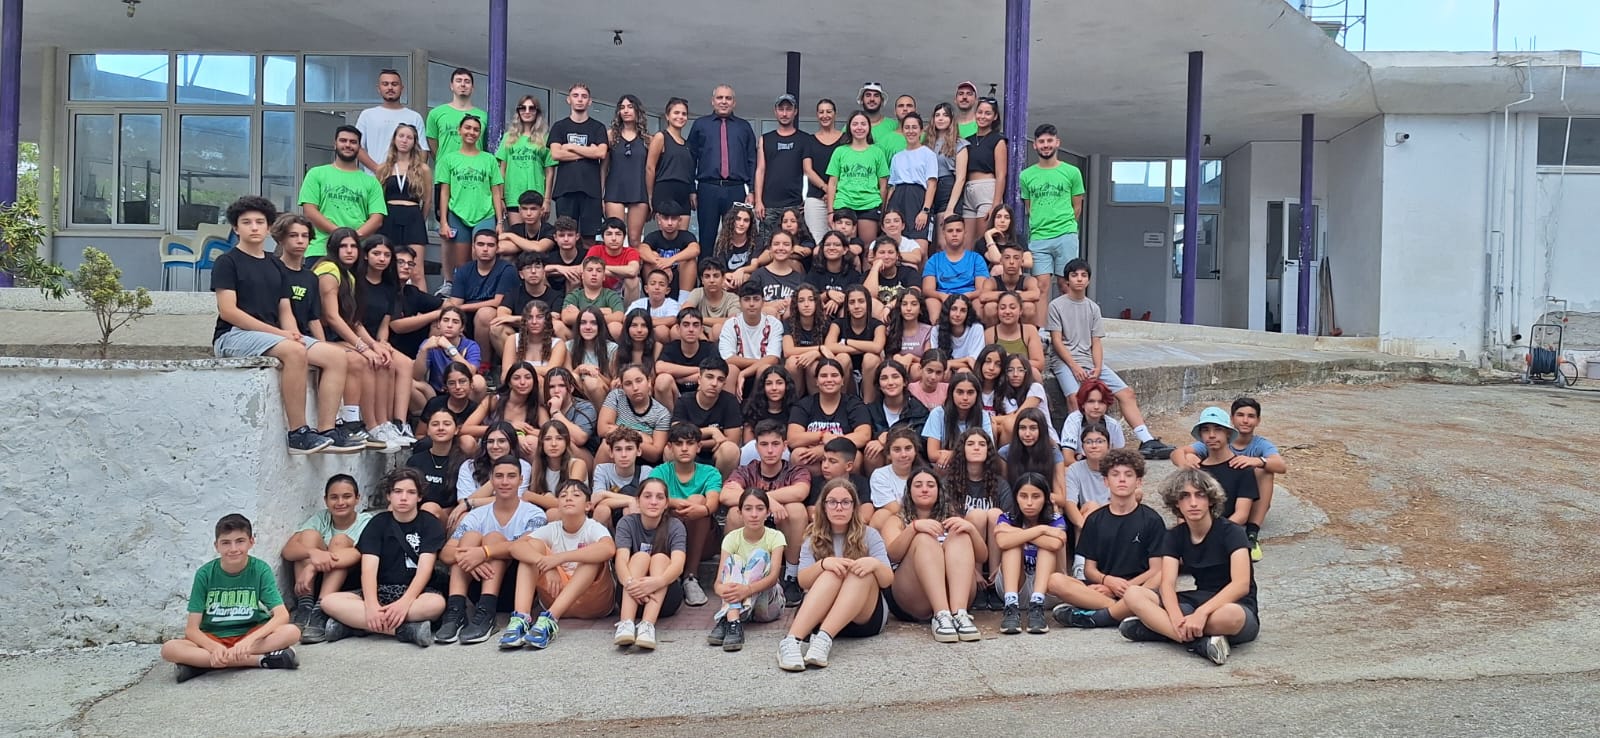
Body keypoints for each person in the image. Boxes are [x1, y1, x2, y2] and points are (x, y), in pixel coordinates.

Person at [213, 197, 355, 454]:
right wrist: (281, 334)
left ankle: (327, 430)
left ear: (268, 228)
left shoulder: (275, 264)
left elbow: (284, 307)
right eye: (246, 222)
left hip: (272, 335)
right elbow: (229, 311)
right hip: (234, 335)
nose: (254, 227)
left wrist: (294, 334)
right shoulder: (228, 261)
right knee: (294, 351)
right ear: (236, 228)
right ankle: (298, 433)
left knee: (336, 355)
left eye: (260, 222)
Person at [1118, 469, 1261, 665]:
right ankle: (1198, 643)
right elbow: (1167, 584)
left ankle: (1158, 629)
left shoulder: (1232, 532)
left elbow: (1241, 585)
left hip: (1235, 606)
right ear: (1177, 503)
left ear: (1210, 500)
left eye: (1200, 495)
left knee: (1230, 615)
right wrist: (1176, 617)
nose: (1193, 503)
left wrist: (1202, 614)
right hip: (1196, 600)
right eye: (1185, 496)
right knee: (1134, 593)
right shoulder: (1174, 536)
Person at [1047, 258, 1175, 459]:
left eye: (1083, 275)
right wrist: (1074, 366)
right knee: (1074, 398)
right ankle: (1079, 447)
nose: (1079, 279)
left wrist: (1098, 367)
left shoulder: (1093, 308)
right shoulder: (1056, 305)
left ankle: (1147, 440)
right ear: (1067, 280)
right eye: (1074, 275)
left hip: (1090, 361)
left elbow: (1096, 342)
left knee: (1127, 393)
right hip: (1065, 361)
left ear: (1089, 280)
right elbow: (1056, 341)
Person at [161, 514, 300, 683]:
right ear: (216, 546)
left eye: (240, 541)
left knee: (291, 632)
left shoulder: (260, 569)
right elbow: (191, 629)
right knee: (169, 649)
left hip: (250, 634)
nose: (233, 549)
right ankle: (260, 660)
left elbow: (281, 615)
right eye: (226, 543)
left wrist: (248, 641)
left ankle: (202, 664)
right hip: (214, 636)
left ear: (251, 542)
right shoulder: (205, 574)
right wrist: (214, 647)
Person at [777, 479, 894, 672]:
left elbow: (887, 580)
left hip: (864, 618)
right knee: (832, 571)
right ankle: (791, 642)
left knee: (860, 572)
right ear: (823, 507)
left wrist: (873, 564)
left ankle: (823, 640)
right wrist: (823, 564)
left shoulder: (870, 534)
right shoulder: (812, 537)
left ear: (854, 507)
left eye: (845, 502)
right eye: (832, 502)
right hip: (820, 615)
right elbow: (803, 581)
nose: (839, 507)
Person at [321, 469, 448, 647]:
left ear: (419, 497)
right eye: (397, 491)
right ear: (389, 495)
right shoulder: (378, 523)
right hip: (380, 590)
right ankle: (405, 630)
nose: (403, 498)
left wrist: (405, 603)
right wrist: (372, 605)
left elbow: (424, 570)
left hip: (416, 592)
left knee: (436, 604)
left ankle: (355, 626)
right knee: (329, 601)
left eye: (411, 492)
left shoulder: (430, 523)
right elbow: (368, 569)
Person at [435, 455, 548, 645]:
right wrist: (469, 558)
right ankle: (456, 612)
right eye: (499, 476)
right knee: (470, 538)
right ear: (491, 479)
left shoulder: (534, 513)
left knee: (493, 538)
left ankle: (487, 614)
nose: (505, 482)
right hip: (477, 585)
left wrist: (483, 553)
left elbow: (522, 547)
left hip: (517, 589)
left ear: (521, 480)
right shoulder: (476, 515)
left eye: (511, 476)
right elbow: (446, 553)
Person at [1051, 449, 1164, 630]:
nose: (1122, 480)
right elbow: (1089, 569)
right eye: (1115, 474)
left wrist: (1125, 587)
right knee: (1055, 581)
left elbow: (1156, 569)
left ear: (1138, 482)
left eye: (1128, 475)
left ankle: (1103, 613)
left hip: (1138, 587)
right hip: (1103, 587)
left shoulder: (1152, 520)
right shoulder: (1095, 519)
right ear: (1106, 481)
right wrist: (1107, 582)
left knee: (1161, 576)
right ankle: (1124, 611)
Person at [500, 480, 618, 649]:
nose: (568, 498)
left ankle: (549, 621)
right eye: (563, 496)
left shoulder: (593, 527)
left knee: (592, 557)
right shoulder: (552, 528)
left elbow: (608, 549)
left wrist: (559, 559)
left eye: (576, 495)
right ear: (558, 506)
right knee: (532, 548)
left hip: (593, 602)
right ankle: (521, 619)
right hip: (555, 593)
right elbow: (515, 547)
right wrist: (546, 565)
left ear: (588, 506)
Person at [1170, 397, 1285, 562]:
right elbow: (1177, 453)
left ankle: (1252, 532)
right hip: (1205, 515)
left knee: (1265, 471)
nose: (1245, 420)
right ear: (1232, 419)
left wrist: (1257, 461)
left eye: (1251, 416)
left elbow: (1281, 466)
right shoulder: (1207, 447)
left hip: (1235, 506)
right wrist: (1186, 464)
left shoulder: (1259, 446)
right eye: (1240, 415)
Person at [881, 466, 985, 642]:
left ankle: (959, 614)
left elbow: (982, 557)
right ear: (909, 491)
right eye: (918, 485)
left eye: (930, 485)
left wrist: (971, 530)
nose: (924, 489)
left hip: (955, 594)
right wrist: (913, 528)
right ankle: (941, 614)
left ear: (939, 490)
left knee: (960, 535)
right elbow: (892, 555)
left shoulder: (952, 518)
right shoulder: (896, 520)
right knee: (924, 538)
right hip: (914, 594)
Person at [721, 419, 812, 608]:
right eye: (764, 444)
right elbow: (726, 495)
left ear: (784, 446)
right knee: (735, 513)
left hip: (784, 527)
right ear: (756, 447)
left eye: (775, 444)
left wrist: (759, 498)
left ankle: (791, 576)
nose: (770, 450)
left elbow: (800, 491)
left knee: (796, 509)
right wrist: (768, 502)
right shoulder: (746, 471)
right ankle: (737, 574)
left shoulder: (795, 470)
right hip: (752, 529)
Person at [353, 235, 422, 447]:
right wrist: (374, 345)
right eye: (376, 253)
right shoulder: (356, 282)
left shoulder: (390, 286)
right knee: (382, 363)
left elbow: (385, 322)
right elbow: (354, 321)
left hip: (376, 339)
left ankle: (398, 422)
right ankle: (377, 424)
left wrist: (382, 342)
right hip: (355, 337)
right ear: (366, 255)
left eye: (386, 254)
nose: (382, 258)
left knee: (405, 363)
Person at [647, 422, 723, 607]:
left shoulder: (710, 472)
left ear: (699, 447)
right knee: (658, 505)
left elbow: (712, 502)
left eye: (689, 443)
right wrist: (675, 503)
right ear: (669, 447)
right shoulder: (660, 472)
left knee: (698, 500)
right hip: (670, 537)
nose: (684, 448)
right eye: (678, 443)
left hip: (703, 540)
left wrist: (702, 509)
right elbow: (650, 497)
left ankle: (690, 577)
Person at [279, 478, 369, 634]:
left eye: (347, 496)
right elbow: (288, 550)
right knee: (308, 536)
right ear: (326, 500)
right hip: (315, 582)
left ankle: (320, 611)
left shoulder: (366, 522)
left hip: (348, 583)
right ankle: (305, 606)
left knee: (339, 541)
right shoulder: (321, 518)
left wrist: (312, 566)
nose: (340, 502)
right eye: (334, 497)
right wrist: (313, 553)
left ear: (357, 498)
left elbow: (356, 554)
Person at [611, 477, 687, 651]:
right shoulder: (627, 522)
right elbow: (621, 560)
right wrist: (631, 585)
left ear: (666, 503)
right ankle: (626, 624)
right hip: (630, 595)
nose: (653, 502)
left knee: (660, 558)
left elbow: (678, 565)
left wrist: (657, 582)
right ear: (638, 501)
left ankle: (647, 626)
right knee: (640, 557)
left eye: (659, 497)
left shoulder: (675, 525)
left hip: (664, 599)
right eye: (647, 496)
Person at [708, 488, 789, 652]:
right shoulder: (731, 538)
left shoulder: (775, 537)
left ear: (767, 513)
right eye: (748, 509)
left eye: (760, 509)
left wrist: (746, 590)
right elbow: (718, 582)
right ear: (740, 513)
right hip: (740, 603)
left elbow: (773, 577)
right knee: (734, 560)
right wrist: (723, 589)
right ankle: (734, 621)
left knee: (759, 555)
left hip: (766, 604)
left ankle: (728, 617)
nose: (754, 514)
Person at [438, 118, 507, 300]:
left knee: (483, 257)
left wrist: (499, 222)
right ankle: (463, 299)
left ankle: (483, 297)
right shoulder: (449, 159)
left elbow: (496, 192)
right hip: (458, 214)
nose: (471, 132)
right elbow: (444, 192)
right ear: (459, 130)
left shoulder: (489, 159)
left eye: (476, 129)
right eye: (467, 128)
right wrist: (443, 221)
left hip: (485, 214)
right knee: (462, 264)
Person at [994, 472, 1068, 635]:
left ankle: (1037, 605)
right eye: (1023, 496)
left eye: (1036, 496)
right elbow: (1003, 542)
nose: (1029, 503)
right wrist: (1042, 530)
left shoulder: (1055, 519)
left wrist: (1018, 532)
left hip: (1047, 589)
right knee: (1012, 546)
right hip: (1014, 585)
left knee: (1046, 548)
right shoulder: (1007, 517)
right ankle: (1011, 606)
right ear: (1016, 497)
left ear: (1045, 498)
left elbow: (1054, 544)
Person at [299, 126, 387, 261]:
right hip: (321, 249)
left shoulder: (372, 182)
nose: (348, 145)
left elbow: (377, 219)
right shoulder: (316, 174)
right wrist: (340, 235)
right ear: (335, 144)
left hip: (356, 252)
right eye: (343, 140)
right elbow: (309, 211)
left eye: (353, 142)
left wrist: (352, 239)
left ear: (359, 147)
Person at [1019, 123, 1087, 294]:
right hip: (1039, 236)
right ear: (1035, 145)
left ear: (1057, 142)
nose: (1046, 145)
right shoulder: (1026, 175)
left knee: (1067, 284)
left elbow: (1077, 207)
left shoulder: (1072, 172)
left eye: (1050, 140)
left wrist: (1066, 226)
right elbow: (1030, 207)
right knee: (1040, 287)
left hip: (1065, 234)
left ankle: (1071, 314)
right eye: (1041, 141)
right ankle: (1043, 315)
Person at [688, 84, 757, 247]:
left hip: (736, 189)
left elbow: (752, 160)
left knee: (735, 237)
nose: (724, 102)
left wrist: (752, 190)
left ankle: (731, 264)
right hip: (707, 188)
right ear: (712, 101)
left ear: (734, 102)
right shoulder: (700, 125)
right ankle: (705, 265)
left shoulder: (744, 127)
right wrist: (691, 190)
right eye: (720, 98)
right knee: (706, 237)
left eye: (728, 98)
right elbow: (690, 158)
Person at [374, 124, 433, 291]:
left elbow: (427, 200)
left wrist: (419, 220)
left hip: (413, 218)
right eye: (401, 136)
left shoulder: (423, 169)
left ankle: (422, 306)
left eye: (409, 137)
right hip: (389, 218)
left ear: (414, 142)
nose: (404, 140)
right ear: (394, 139)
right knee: (386, 267)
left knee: (416, 272)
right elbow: (377, 199)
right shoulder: (383, 168)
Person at [548, 83, 610, 240]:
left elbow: (601, 153)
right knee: (566, 237)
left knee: (589, 238)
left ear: (590, 101)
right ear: (568, 100)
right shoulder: (559, 126)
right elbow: (556, 154)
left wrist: (570, 147)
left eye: (584, 96)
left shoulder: (598, 127)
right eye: (575, 96)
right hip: (565, 190)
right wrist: (589, 152)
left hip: (591, 191)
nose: (580, 99)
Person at [787, 358, 872, 469]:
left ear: (842, 380)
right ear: (816, 381)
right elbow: (793, 439)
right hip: (813, 457)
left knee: (856, 457)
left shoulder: (854, 404)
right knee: (797, 454)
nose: (829, 380)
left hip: (840, 456)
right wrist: (822, 436)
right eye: (823, 376)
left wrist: (828, 447)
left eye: (834, 375)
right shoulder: (804, 404)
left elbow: (863, 436)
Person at [672, 357, 744, 478]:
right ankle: (680, 484)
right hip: (688, 451)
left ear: (724, 384)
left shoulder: (730, 402)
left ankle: (719, 486)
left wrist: (697, 442)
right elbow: (676, 433)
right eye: (709, 377)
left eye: (720, 379)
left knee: (731, 450)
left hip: (716, 453)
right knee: (669, 450)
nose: (714, 383)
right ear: (699, 379)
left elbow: (732, 440)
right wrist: (712, 431)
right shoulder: (684, 401)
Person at [826, 110, 890, 246]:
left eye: (863, 124)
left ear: (869, 127)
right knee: (843, 247)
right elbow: (832, 183)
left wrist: (882, 210)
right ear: (849, 127)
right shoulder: (840, 151)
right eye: (855, 124)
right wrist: (830, 211)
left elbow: (883, 185)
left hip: (870, 204)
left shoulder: (877, 152)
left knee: (868, 248)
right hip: (844, 203)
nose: (859, 127)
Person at [446, 227, 515, 351]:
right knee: (442, 319)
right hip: (466, 315)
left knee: (484, 314)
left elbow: (498, 302)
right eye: (480, 244)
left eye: (490, 245)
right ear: (473, 247)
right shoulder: (464, 270)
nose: (485, 249)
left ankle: (483, 361)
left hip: (493, 314)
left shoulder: (507, 270)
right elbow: (456, 302)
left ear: (497, 248)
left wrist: (463, 307)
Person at [453, 423, 534, 525]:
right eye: (490, 441)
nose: (495, 446)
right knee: (462, 517)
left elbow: (514, 500)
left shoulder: (522, 466)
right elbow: (463, 503)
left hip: (509, 515)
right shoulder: (469, 466)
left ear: (511, 444)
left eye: (501, 441)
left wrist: (472, 502)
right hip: (476, 515)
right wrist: (493, 481)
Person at [496, 265, 566, 380]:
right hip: (517, 385)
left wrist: (520, 370)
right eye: (529, 317)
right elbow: (505, 374)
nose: (534, 322)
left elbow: (551, 371)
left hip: (544, 386)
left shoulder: (558, 344)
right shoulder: (512, 340)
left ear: (547, 320)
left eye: (539, 317)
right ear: (524, 320)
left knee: (540, 380)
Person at [756, 94, 812, 234]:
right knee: (767, 244)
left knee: (793, 243)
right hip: (768, 205)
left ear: (795, 111)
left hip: (794, 205)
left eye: (789, 109)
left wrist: (808, 200)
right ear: (775, 111)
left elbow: (809, 171)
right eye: (781, 109)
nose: (785, 113)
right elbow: (760, 170)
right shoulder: (765, 139)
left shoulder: (805, 139)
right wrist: (758, 201)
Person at [719, 282, 784, 400]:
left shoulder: (774, 323)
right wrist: (758, 362)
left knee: (764, 368)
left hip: (764, 372)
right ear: (740, 302)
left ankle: (757, 408)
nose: (752, 304)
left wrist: (745, 373)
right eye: (747, 299)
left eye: (756, 299)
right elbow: (728, 358)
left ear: (763, 302)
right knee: (731, 369)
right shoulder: (730, 324)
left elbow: (773, 358)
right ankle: (730, 409)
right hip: (738, 370)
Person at [597, 363, 672, 466]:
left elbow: (655, 454)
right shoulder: (617, 396)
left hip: (642, 461)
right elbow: (602, 429)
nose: (635, 388)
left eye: (639, 381)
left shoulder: (661, 413)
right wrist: (641, 435)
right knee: (606, 444)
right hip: (615, 454)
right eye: (628, 384)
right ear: (622, 387)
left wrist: (618, 432)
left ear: (648, 382)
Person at [603, 95, 652, 249]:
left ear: (638, 111)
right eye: (622, 107)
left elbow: (651, 169)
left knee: (635, 239)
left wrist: (651, 198)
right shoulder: (611, 135)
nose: (626, 111)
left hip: (639, 191)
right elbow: (603, 167)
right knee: (614, 236)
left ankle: (635, 265)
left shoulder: (647, 140)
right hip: (614, 190)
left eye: (630, 107)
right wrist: (600, 194)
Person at [356, 68, 428, 172]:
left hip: (406, 178)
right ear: (379, 88)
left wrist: (412, 173)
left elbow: (422, 150)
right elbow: (357, 147)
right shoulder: (367, 115)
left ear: (402, 88)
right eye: (385, 84)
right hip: (374, 178)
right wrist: (377, 169)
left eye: (394, 84)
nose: (390, 87)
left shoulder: (414, 117)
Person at [922, 216, 990, 323]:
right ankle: (937, 332)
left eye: (958, 230)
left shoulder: (976, 259)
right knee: (931, 301)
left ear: (965, 233)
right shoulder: (934, 260)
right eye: (950, 231)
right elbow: (927, 289)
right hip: (943, 297)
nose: (954, 234)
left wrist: (965, 296)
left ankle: (977, 331)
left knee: (979, 302)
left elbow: (982, 289)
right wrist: (942, 296)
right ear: (944, 233)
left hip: (969, 296)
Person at [863, 360, 929, 471]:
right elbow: (867, 435)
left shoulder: (918, 410)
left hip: (911, 460)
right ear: (878, 385)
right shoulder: (871, 410)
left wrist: (889, 438)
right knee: (873, 451)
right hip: (882, 459)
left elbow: (922, 442)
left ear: (905, 382)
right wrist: (880, 438)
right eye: (884, 378)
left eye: (895, 377)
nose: (890, 382)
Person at [413, 306, 487, 405]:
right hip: (436, 391)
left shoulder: (471, 345)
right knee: (410, 382)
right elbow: (417, 376)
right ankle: (425, 413)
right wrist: (423, 350)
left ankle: (468, 412)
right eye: (445, 320)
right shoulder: (429, 343)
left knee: (479, 381)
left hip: (461, 390)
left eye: (455, 322)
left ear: (462, 328)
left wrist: (449, 348)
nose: (449, 325)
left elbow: (471, 373)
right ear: (439, 324)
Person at [825, 284, 887, 401]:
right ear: (847, 306)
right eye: (852, 302)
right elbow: (829, 346)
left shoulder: (877, 325)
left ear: (868, 304)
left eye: (861, 301)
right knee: (842, 357)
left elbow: (877, 347)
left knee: (871, 358)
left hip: (869, 377)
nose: (857, 306)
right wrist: (865, 347)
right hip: (847, 377)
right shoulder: (838, 323)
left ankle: (868, 405)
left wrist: (846, 341)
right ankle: (842, 402)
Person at [498, 95, 554, 223]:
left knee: (535, 235)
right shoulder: (508, 137)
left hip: (537, 195)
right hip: (513, 195)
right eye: (523, 108)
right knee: (516, 232)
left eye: (531, 108)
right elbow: (502, 169)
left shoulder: (545, 138)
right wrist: (500, 198)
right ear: (518, 111)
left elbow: (550, 172)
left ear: (537, 112)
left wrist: (547, 200)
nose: (527, 112)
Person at [961, 98, 1007, 250]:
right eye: (980, 112)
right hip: (968, 189)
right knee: (966, 242)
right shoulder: (967, 141)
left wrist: (996, 204)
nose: (982, 116)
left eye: (988, 113)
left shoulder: (998, 140)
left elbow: (1001, 174)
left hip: (987, 188)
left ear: (995, 116)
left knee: (983, 240)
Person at [410, 406, 469, 523]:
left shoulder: (464, 463)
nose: (441, 428)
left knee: (430, 508)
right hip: (416, 515)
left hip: (447, 520)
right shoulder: (415, 460)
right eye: (435, 424)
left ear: (456, 430)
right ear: (428, 430)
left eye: (447, 424)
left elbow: (464, 500)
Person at [886, 112, 937, 247]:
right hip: (898, 198)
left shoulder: (928, 154)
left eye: (914, 127)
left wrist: (925, 210)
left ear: (921, 130)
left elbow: (932, 184)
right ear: (902, 131)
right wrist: (886, 210)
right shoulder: (897, 157)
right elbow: (892, 187)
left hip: (918, 198)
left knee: (920, 245)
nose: (910, 131)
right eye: (907, 128)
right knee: (895, 244)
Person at [1001, 407, 1067, 511]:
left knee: (1056, 509)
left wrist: (1036, 497)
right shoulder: (1005, 453)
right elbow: (1003, 491)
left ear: (1042, 430)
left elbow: (1061, 498)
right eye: (1022, 428)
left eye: (1033, 428)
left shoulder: (1054, 454)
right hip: (1015, 505)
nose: (1027, 434)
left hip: (1043, 504)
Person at [645, 97, 695, 232]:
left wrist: (692, 192)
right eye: (676, 113)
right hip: (665, 190)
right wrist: (650, 196)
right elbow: (650, 167)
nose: (680, 117)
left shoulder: (687, 144)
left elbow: (689, 171)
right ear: (667, 116)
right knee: (666, 235)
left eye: (684, 114)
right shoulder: (661, 137)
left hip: (683, 192)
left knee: (682, 235)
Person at [922, 371, 991, 468]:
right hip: (948, 466)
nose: (965, 398)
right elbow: (932, 454)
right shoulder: (938, 413)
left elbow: (989, 451)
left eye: (970, 393)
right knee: (941, 463)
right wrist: (967, 454)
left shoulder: (983, 415)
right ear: (951, 393)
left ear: (977, 395)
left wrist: (952, 454)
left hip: (974, 465)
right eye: (960, 392)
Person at [590, 426, 654, 528]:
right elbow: (595, 500)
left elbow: (646, 503)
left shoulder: (646, 471)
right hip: (610, 521)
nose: (624, 455)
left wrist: (604, 494)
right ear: (611, 453)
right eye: (618, 449)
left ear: (638, 451)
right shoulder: (602, 469)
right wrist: (630, 500)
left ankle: (630, 538)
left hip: (635, 518)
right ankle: (601, 538)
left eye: (629, 449)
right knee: (602, 509)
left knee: (628, 509)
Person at [653, 307, 717, 407]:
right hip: (676, 398)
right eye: (686, 325)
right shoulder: (671, 347)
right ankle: (673, 417)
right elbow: (659, 367)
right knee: (662, 380)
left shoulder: (710, 348)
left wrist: (682, 379)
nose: (691, 329)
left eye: (695, 325)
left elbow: (715, 373)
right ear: (678, 329)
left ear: (701, 329)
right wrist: (700, 369)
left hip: (702, 399)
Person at [802, 98, 846, 240]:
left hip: (842, 198)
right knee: (817, 241)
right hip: (816, 199)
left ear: (835, 114)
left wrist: (834, 193)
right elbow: (808, 170)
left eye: (828, 111)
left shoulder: (845, 140)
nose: (825, 115)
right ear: (817, 115)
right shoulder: (809, 140)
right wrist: (827, 189)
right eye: (821, 112)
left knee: (841, 241)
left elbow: (848, 169)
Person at [425, 67, 486, 167]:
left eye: (467, 81)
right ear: (451, 86)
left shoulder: (484, 116)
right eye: (458, 81)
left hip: (475, 170)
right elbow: (432, 143)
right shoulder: (435, 113)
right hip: (446, 170)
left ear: (472, 88)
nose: (463, 84)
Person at [390, 245, 445, 357]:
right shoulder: (384, 290)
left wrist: (437, 320)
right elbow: (397, 326)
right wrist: (437, 314)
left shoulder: (412, 291)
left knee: (442, 324)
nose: (406, 267)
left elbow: (448, 305)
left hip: (413, 350)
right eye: (400, 262)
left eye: (410, 264)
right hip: (388, 349)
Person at [638, 201, 700, 298]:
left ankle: (683, 301)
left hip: (681, 281)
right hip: (660, 278)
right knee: (651, 256)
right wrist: (662, 265)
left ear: (679, 221)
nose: (670, 223)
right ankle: (653, 298)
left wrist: (671, 260)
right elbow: (642, 250)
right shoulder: (653, 236)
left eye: (673, 219)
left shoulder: (686, 236)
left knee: (689, 260)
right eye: (666, 218)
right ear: (659, 219)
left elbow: (695, 249)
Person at [740, 365, 798, 463]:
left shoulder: (796, 410)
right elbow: (748, 443)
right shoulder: (752, 408)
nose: (774, 388)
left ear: (787, 386)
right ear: (763, 387)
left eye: (779, 383)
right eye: (769, 383)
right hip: (757, 454)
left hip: (785, 455)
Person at [541, 367, 599, 463]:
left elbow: (580, 438)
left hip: (584, 457)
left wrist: (556, 412)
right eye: (551, 387)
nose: (556, 390)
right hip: (552, 453)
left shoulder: (585, 407)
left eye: (561, 385)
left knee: (563, 442)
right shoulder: (544, 407)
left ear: (571, 388)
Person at [867, 427, 922, 528]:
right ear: (888, 454)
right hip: (898, 524)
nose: (903, 454)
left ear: (915, 451)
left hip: (925, 521)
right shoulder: (880, 475)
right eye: (897, 450)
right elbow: (895, 510)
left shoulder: (925, 475)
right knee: (881, 516)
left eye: (908, 448)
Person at [979, 245, 1043, 331]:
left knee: (1029, 307)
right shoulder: (992, 281)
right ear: (1001, 261)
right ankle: (992, 337)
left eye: (1016, 258)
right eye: (1007, 258)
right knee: (990, 307)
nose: (1011, 262)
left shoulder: (1028, 280)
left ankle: (1027, 337)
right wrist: (1014, 294)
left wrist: (1001, 296)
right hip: (997, 323)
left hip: (1022, 322)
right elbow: (983, 296)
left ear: (1022, 262)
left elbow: (1035, 295)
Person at [1061, 378, 1128, 459]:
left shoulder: (1113, 425)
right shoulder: (1073, 420)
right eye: (1091, 401)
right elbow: (1068, 458)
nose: (1096, 407)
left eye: (1101, 402)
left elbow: (1120, 456)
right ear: (1083, 404)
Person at [562, 257, 625, 341]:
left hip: (604, 336)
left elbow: (619, 317)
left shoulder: (611, 295)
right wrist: (601, 312)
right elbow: (566, 318)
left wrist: (579, 313)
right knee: (558, 326)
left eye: (599, 271)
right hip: (578, 336)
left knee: (616, 327)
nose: (594, 274)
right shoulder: (574, 295)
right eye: (590, 270)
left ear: (604, 277)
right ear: (582, 275)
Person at [927, 102, 970, 228]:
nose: (940, 118)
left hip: (948, 189)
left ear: (951, 119)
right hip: (929, 189)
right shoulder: (927, 144)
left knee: (944, 232)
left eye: (945, 115)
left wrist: (950, 208)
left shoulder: (960, 144)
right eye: (937, 115)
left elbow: (961, 178)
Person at [782, 284, 829, 395]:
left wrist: (816, 354)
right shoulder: (788, 323)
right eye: (801, 301)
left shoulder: (826, 323)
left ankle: (816, 401)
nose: (806, 305)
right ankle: (794, 402)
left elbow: (829, 351)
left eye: (811, 300)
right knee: (792, 363)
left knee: (814, 366)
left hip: (816, 366)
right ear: (796, 305)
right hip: (797, 366)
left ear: (817, 303)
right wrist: (819, 349)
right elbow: (788, 351)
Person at [566, 305, 619, 406]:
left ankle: (601, 415)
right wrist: (580, 369)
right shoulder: (569, 346)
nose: (588, 327)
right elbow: (566, 378)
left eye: (593, 323)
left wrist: (596, 373)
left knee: (591, 382)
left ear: (600, 326)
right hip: (577, 393)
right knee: (574, 376)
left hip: (603, 396)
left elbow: (613, 384)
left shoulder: (612, 348)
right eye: (583, 323)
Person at [586, 217, 643, 304]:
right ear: (603, 237)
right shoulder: (596, 250)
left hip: (622, 293)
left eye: (618, 234)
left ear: (624, 237)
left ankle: (630, 311)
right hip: (599, 291)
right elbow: (586, 269)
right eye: (609, 234)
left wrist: (602, 268)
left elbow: (632, 271)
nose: (613, 238)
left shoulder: (630, 252)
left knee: (633, 280)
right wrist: (621, 273)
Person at [808, 230, 862, 320]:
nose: (831, 248)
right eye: (827, 245)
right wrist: (828, 294)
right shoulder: (814, 273)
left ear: (845, 250)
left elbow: (857, 298)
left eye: (837, 245)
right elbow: (807, 300)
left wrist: (837, 301)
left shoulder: (853, 275)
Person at [864, 237, 921, 321]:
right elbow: (867, 297)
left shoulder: (909, 272)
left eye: (891, 252)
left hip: (901, 315)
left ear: (897, 255)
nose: (886, 257)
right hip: (876, 320)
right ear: (874, 255)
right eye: (882, 252)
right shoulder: (868, 275)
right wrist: (875, 267)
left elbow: (915, 292)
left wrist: (889, 306)